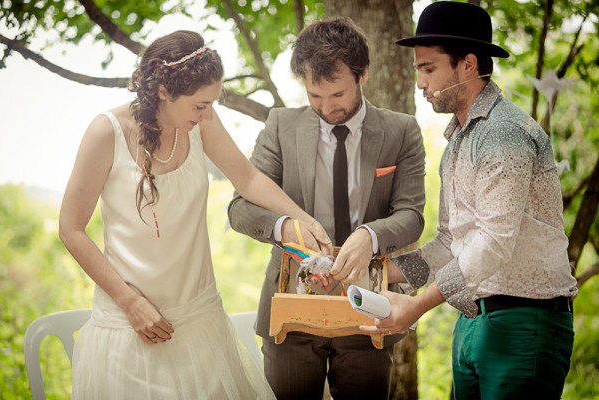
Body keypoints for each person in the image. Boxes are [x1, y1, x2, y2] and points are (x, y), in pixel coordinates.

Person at [58, 30, 332, 399]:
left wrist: (305, 220)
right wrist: (129, 302)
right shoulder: (106, 132)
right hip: (130, 327)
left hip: (201, 323)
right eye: (200, 105)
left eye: (211, 104)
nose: (207, 114)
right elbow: (71, 229)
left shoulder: (203, 121)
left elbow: (248, 178)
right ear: (164, 92)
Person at [361, 2, 578, 399]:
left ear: (468, 64)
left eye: (429, 69)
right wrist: (369, 270)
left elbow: (493, 243)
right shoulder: (458, 142)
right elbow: (448, 244)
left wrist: (416, 306)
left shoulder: (504, 134)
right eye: (418, 71)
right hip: (471, 321)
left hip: (523, 323)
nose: (420, 83)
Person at [228, 17, 426, 399]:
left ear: (363, 74)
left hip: (368, 308)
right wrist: (283, 227)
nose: (325, 107)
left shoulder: (401, 131)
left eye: (337, 95)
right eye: (314, 95)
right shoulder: (280, 126)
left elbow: (411, 216)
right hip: (290, 311)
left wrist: (371, 236)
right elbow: (240, 209)